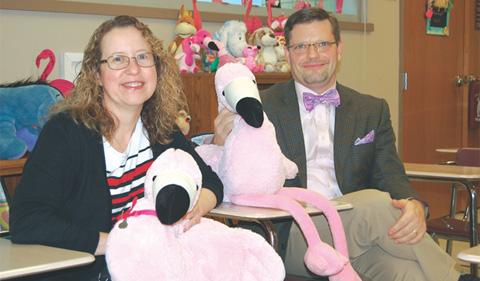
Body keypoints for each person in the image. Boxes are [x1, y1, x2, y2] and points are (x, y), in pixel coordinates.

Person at [213, 8, 477, 281]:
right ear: (288, 54)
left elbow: (390, 174)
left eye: (322, 44)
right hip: (292, 232)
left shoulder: (371, 109)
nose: (312, 55)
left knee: (408, 271)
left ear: (339, 50)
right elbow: (228, 172)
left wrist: (412, 205)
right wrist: (219, 143)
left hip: (359, 235)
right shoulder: (258, 107)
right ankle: (461, 278)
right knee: (377, 205)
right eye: (301, 46)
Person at [10, 15, 223, 281]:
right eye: (118, 59)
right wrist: (120, 244)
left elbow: (211, 181)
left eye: (143, 57)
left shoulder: (162, 130)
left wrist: (192, 211)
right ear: (97, 75)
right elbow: (27, 221)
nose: (134, 70)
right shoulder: (66, 132)